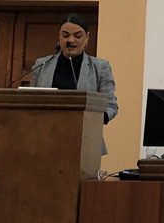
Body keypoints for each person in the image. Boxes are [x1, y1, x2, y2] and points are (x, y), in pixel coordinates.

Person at [29, 14, 118, 155]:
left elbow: (111, 106)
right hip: (44, 138)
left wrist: (95, 118)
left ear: (87, 37)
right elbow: (29, 100)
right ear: (59, 37)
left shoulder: (100, 67)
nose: (71, 40)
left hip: (85, 140)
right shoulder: (42, 65)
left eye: (78, 36)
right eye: (65, 35)